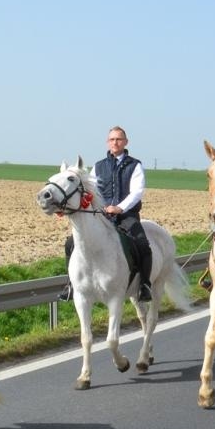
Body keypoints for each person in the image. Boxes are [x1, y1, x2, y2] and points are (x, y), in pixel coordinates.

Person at [60, 126, 153, 303]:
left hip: (127, 216)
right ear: (107, 142)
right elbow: (93, 191)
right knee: (71, 243)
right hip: (102, 216)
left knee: (142, 244)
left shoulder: (135, 165)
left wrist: (120, 208)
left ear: (126, 142)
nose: (115, 142)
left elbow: (137, 192)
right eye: (112, 139)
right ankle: (71, 284)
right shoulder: (98, 166)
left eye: (118, 139)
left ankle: (144, 285)